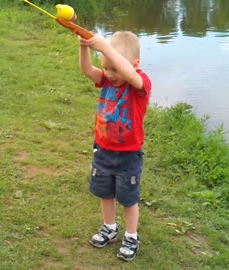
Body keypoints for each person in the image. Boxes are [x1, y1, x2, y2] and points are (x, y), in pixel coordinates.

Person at [78, 31, 152, 261]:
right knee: (105, 192)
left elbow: (129, 74)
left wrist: (106, 49)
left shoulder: (140, 84)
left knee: (129, 199)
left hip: (128, 156)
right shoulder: (108, 78)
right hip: (102, 151)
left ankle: (131, 236)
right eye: (106, 68)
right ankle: (109, 227)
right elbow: (88, 70)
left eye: (114, 69)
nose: (109, 74)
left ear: (135, 64)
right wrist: (84, 48)